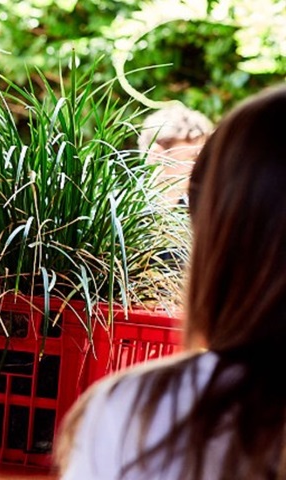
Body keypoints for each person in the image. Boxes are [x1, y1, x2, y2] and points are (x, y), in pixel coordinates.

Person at [57, 85, 286, 479]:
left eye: (198, 161)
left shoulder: (136, 414)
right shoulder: (117, 220)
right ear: (154, 152)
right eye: (183, 155)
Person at [138, 103, 213, 205]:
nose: (204, 167)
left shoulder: (203, 209)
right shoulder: (117, 211)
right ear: (157, 155)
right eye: (194, 158)